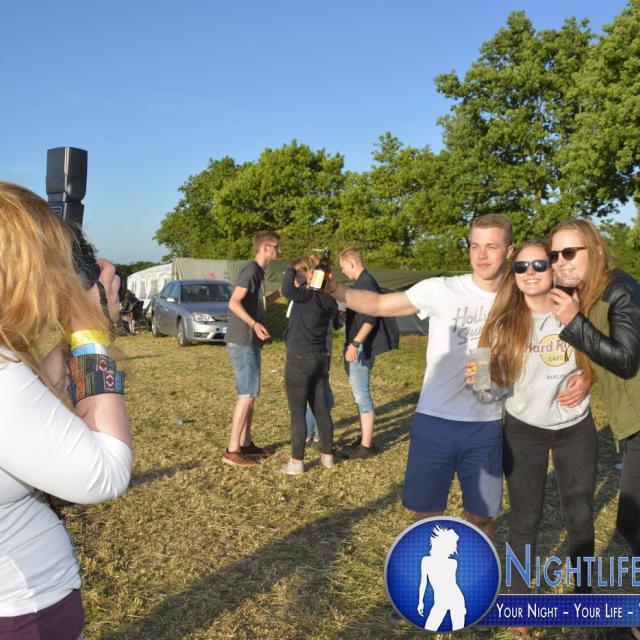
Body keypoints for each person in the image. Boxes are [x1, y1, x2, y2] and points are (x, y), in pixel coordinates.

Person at [324, 215, 513, 536]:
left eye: (492, 247)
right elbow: (379, 304)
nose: (481, 255)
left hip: (485, 425)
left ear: (509, 251)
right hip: (434, 421)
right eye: (475, 246)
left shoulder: (519, 296)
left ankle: (475, 568)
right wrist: (334, 288)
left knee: (481, 519)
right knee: (425, 517)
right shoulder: (442, 289)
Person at [0, 182, 132, 639]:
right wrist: (90, 331)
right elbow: (105, 473)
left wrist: (64, 326)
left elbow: (40, 415)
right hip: (23, 614)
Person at [473, 240, 595, 602]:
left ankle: (583, 593)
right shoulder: (502, 323)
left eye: (539, 265)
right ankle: (520, 598)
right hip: (524, 430)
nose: (530, 273)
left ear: (553, 268)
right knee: (525, 519)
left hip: (575, 429)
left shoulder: (578, 310)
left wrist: (591, 377)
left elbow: (605, 355)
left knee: (580, 516)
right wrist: (483, 382)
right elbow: (485, 389)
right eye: (521, 266)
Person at [223, 230, 282, 467]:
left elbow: (259, 304)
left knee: (251, 394)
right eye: (276, 246)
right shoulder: (251, 270)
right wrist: (254, 324)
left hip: (250, 340)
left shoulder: (258, 272)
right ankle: (232, 450)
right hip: (243, 339)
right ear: (266, 248)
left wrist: (281, 292)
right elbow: (234, 302)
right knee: (246, 394)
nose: (279, 251)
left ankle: (246, 443)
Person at [338, 248, 399, 459]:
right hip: (358, 345)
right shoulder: (363, 282)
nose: (342, 271)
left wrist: (355, 344)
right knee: (359, 394)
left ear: (352, 263)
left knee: (362, 394)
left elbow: (371, 318)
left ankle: (366, 446)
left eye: (343, 267)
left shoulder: (365, 284)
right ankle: (363, 438)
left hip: (360, 347)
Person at [279, 257, 337, 474]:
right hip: (320, 357)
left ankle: (296, 463)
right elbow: (336, 321)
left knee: (297, 412)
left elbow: (286, 289)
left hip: (299, 357)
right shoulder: (329, 301)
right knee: (321, 409)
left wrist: (293, 270)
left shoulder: (304, 295)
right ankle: (327, 456)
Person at [417, 525, 466, 632]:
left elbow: (451, 584)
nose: (453, 549)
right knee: (429, 628)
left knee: (458, 630)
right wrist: (420, 601)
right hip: (440, 601)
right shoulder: (426, 561)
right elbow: (423, 583)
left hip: (455, 599)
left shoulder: (452, 563)